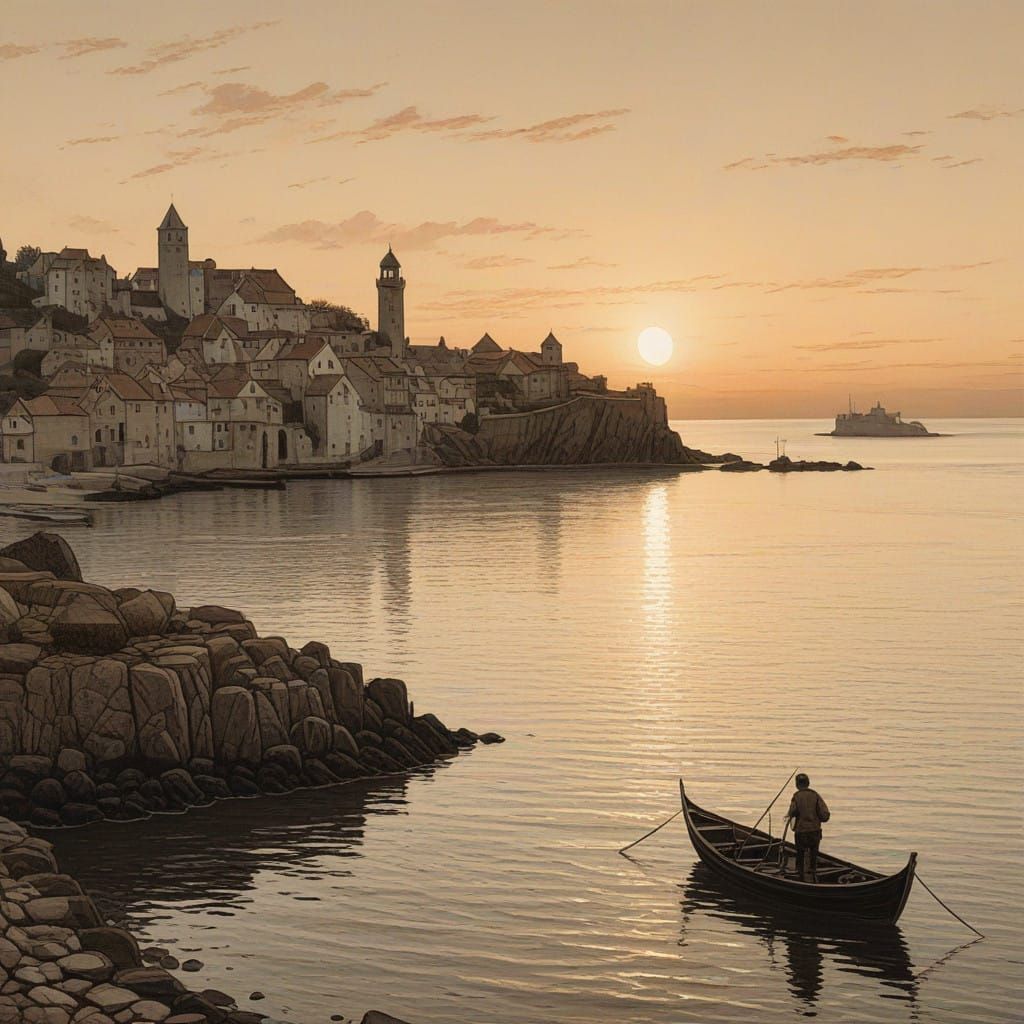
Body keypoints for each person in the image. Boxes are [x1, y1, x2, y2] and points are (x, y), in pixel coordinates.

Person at [786, 773, 830, 882]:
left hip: (801, 832)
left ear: (797, 784)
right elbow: (825, 815)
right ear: (808, 783)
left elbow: (792, 812)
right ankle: (813, 874)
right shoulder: (815, 795)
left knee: (800, 855)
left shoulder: (796, 796)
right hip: (815, 831)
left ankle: (800, 877)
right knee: (813, 855)